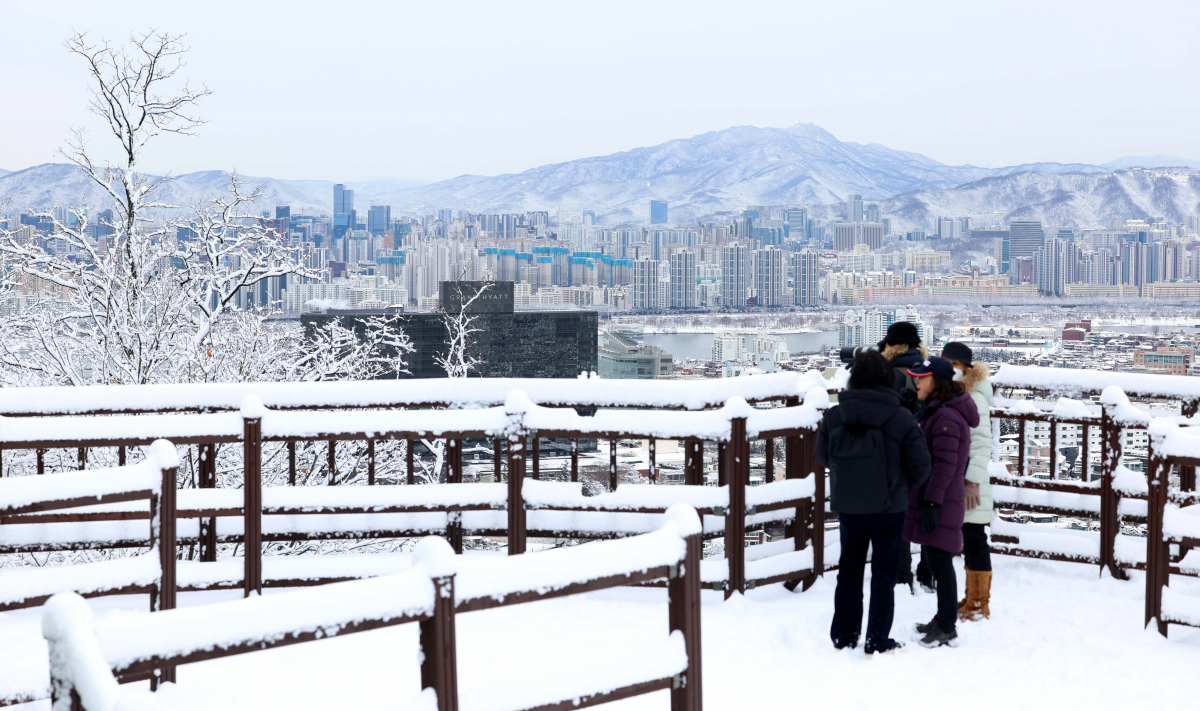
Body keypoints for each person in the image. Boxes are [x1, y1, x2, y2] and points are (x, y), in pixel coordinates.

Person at [817, 350, 931, 654]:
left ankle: (844, 635)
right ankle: (876, 639)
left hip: (850, 506)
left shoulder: (835, 414)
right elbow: (921, 466)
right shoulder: (901, 417)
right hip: (889, 507)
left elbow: (823, 456)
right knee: (884, 575)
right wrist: (900, 488)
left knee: (849, 571)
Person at [903, 356, 979, 647]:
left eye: (922, 378)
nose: (917, 382)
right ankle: (942, 619)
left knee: (940, 563)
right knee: (937, 561)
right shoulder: (940, 410)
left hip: (942, 500)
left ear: (937, 381)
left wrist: (932, 504)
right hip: (938, 497)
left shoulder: (946, 416)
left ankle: (947, 625)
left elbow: (945, 465)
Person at [876, 320, 932, 593]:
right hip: (925, 448)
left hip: (895, 451)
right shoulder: (926, 369)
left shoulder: (888, 372)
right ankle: (928, 572)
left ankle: (901, 576)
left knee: (898, 515)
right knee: (926, 510)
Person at [942, 342, 994, 621]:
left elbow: (981, 442)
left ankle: (978, 603)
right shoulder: (962, 392)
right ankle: (972, 599)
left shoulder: (973, 396)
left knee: (974, 538)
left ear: (959, 365)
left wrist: (972, 481)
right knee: (968, 537)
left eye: (948, 363)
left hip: (969, 481)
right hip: (960, 478)